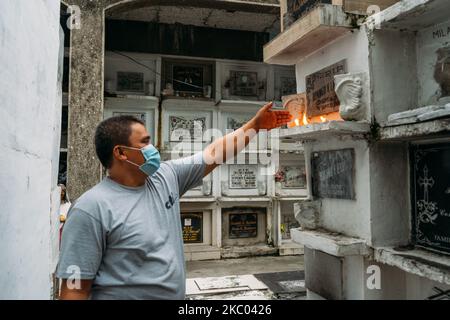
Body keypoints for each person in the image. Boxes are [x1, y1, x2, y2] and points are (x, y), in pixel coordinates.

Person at [56, 102, 291, 300]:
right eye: (145, 143)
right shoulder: (91, 209)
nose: (153, 148)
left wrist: (255, 126)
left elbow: (216, 152)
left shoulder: (165, 178)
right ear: (121, 153)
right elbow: (74, 289)